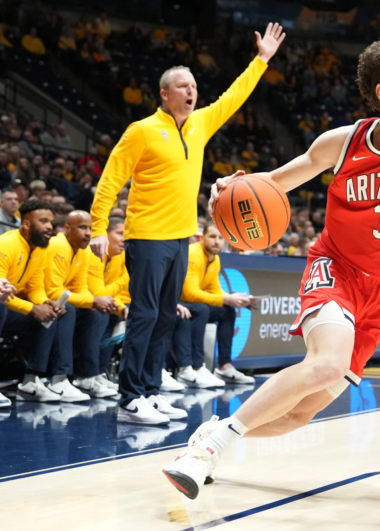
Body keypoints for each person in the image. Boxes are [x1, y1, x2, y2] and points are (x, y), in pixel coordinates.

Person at [163, 36, 380, 499]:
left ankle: (212, 434)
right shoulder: (342, 143)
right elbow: (273, 184)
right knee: (326, 364)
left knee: (296, 415)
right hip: (336, 268)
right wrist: (228, 188)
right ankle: (205, 453)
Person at [89, 24, 285, 425]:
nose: (191, 91)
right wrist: (97, 227)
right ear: (164, 94)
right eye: (182, 86)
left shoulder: (200, 125)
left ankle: (150, 390)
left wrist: (261, 59)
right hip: (146, 237)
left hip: (181, 238)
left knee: (166, 316)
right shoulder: (141, 131)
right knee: (144, 315)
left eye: (193, 85)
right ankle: (129, 399)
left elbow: (233, 97)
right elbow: (110, 180)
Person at [0, 200, 77, 402]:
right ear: (26, 224)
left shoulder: (41, 249)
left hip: (12, 311)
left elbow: (34, 285)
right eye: (43, 221)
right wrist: (32, 308)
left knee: (58, 311)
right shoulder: (6, 245)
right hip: (3, 307)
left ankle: (32, 381)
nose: (50, 227)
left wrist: (44, 302)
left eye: (51, 222)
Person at [44, 210, 119, 400]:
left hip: (62, 301)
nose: (88, 233)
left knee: (96, 313)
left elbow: (80, 287)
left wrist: (94, 303)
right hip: (42, 301)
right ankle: (59, 378)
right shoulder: (58, 245)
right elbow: (53, 291)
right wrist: (94, 300)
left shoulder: (83, 250)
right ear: (68, 229)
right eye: (82, 228)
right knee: (69, 310)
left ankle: (88, 376)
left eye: (91, 229)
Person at [176, 224, 256, 388]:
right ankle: (197, 366)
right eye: (213, 237)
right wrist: (225, 299)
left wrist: (234, 299)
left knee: (226, 311)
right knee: (202, 309)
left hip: (191, 303)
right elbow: (189, 293)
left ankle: (224, 366)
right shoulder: (193, 254)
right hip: (176, 303)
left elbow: (213, 289)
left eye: (220, 238)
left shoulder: (214, 259)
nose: (217, 242)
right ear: (202, 238)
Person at [86, 215, 128, 392]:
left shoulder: (118, 257)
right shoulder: (93, 252)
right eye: (119, 233)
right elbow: (98, 292)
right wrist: (128, 276)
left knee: (118, 316)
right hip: (83, 301)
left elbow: (110, 293)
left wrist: (121, 307)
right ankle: (90, 374)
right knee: (101, 314)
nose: (124, 239)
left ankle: (101, 372)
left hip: (99, 302)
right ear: (105, 234)